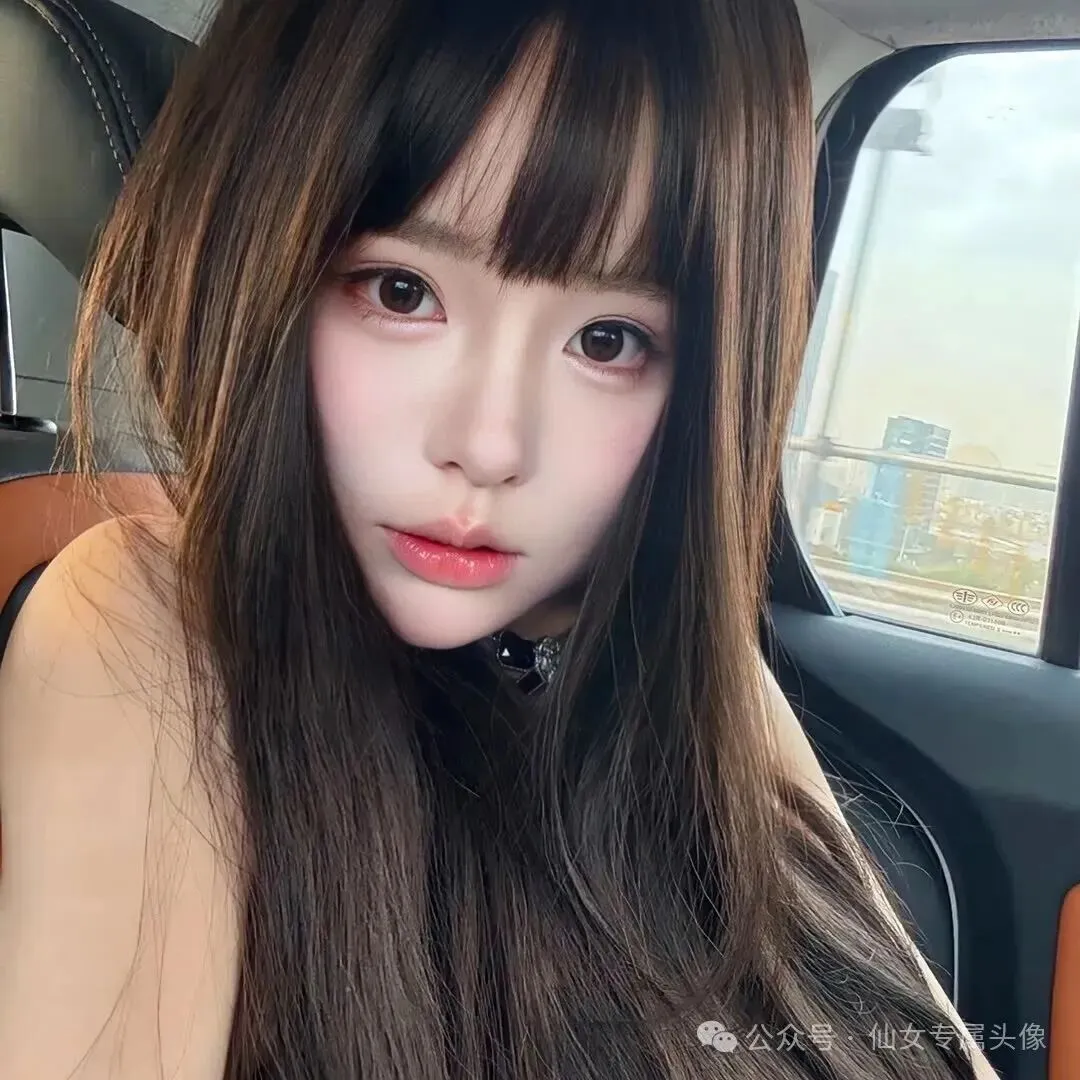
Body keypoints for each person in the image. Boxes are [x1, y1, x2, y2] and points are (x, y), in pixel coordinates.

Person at [0, 0, 999, 1077]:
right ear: (262, 274)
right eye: (402, 291)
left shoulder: (694, 677)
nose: (489, 445)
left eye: (608, 341)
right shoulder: (148, 629)